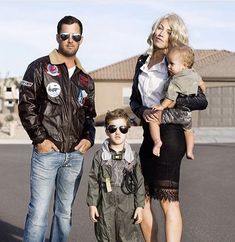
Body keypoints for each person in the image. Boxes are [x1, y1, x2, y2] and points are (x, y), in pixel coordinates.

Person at [130, 13, 208, 242]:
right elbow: (134, 100)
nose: (161, 32)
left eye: (168, 30)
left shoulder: (176, 63)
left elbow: (201, 100)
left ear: (176, 36)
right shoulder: (141, 61)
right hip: (149, 133)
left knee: (167, 199)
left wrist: (168, 106)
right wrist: (142, 111)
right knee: (141, 196)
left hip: (171, 135)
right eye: (160, 28)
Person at [18, 15, 96, 242]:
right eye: (65, 35)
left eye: (75, 36)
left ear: (81, 39)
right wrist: (39, 139)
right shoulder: (39, 67)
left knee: (64, 214)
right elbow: (26, 106)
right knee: (38, 214)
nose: (70, 40)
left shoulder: (85, 80)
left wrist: (89, 139)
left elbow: (89, 115)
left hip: (74, 156)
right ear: (57, 37)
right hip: (47, 154)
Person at [86, 108, 145, 242]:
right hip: (105, 204)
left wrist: (140, 206)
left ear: (127, 131)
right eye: (113, 128)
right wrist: (92, 204)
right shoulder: (100, 156)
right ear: (107, 131)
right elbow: (93, 181)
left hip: (128, 205)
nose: (118, 132)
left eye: (122, 128)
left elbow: (140, 183)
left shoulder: (133, 158)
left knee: (128, 236)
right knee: (106, 235)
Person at [149, 44, 206, 159]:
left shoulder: (175, 80)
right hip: (187, 114)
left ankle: (157, 142)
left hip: (175, 113)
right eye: (168, 63)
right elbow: (202, 85)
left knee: (154, 120)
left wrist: (161, 106)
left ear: (184, 65)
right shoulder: (194, 74)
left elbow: (170, 97)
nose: (168, 66)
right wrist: (202, 89)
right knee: (189, 131)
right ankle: (190, 151)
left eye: (172, 64)